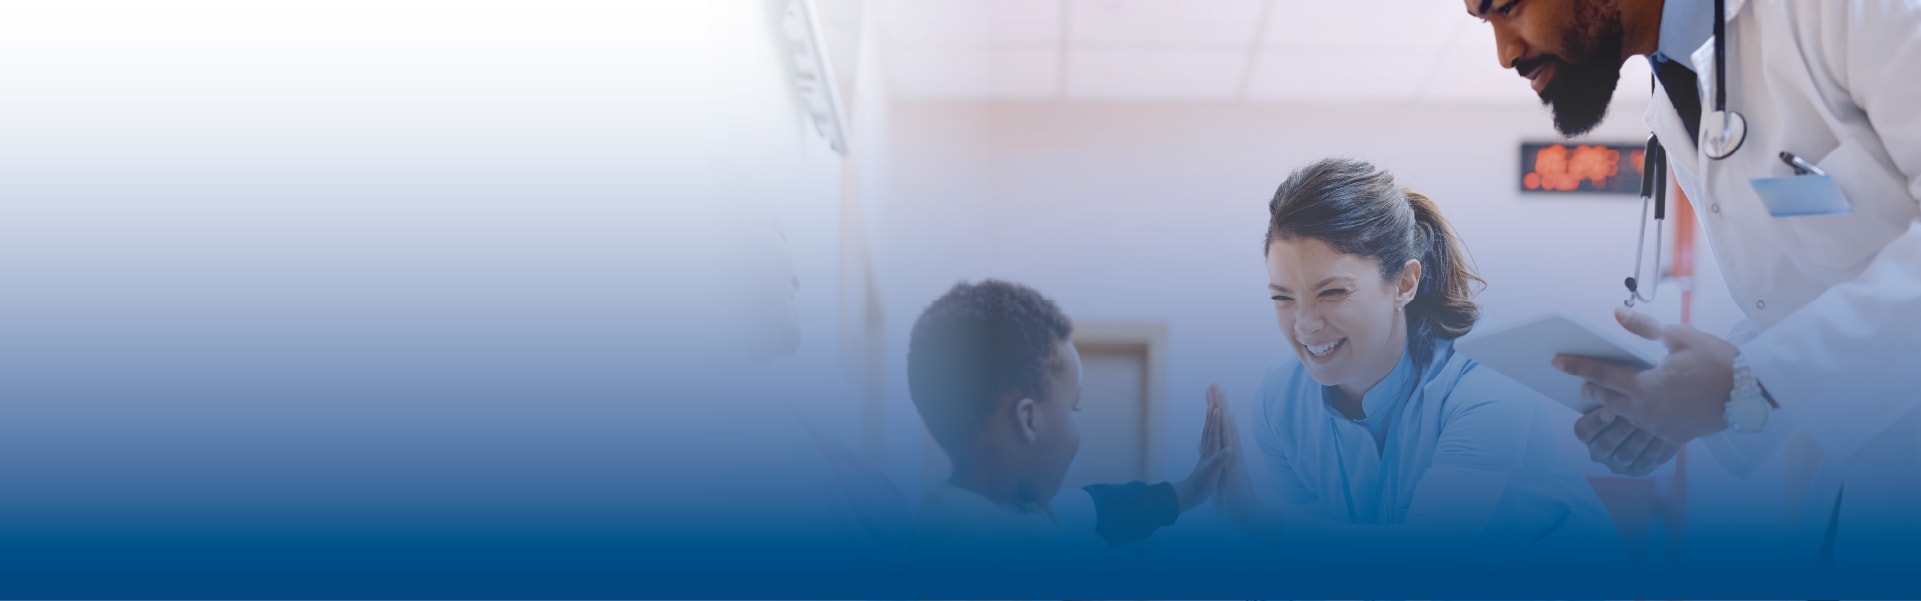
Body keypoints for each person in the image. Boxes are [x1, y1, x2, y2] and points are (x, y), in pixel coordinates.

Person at [1464, 0, 1921, 568]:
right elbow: (1798, 302)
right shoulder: (1675, 98)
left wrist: (1758, 380)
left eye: (1507, 7)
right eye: (1485, 22)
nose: (1506, 52)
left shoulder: (1836, 13)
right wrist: (1683, 399)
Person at [1210, 158, 1621, 566]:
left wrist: (1258, 523)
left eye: (1332, 292)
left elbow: (1429, 554)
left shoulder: (1485, 375)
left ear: (1404, 283)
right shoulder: (1280, 401)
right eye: (1283, 297)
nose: (1305, 324)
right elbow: (1322, 558)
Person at [905, 279, 1231, 553]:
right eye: (1075, 406)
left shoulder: (1026, 506)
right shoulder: (954, 540)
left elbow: (1112, 507)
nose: (1079, 423)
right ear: (1029, 420)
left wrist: (1193, 488)